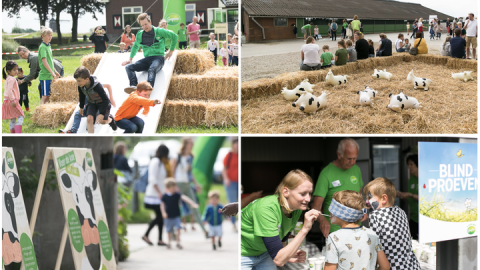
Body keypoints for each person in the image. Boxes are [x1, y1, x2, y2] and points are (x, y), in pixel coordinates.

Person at [241, 169, 321, 269]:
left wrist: (288, 255)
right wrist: (305, 229)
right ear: (286, 192)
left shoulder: (296, 209)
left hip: (265, 252)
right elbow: (279, 260)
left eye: (310, 193)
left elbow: (282, 239)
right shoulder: (267, 209)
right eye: (303, 194)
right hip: (243, 253)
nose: (308, 199)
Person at [324, 190, 390, 270]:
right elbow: (385, 267)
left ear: (340, 214)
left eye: (332, 208)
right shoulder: (371, 234)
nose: (329, 211)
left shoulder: (334, 237)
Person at [312, 139, 364, 237]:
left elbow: (360, 196)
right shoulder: (326, 174)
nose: (352, 162)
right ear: (339, 155)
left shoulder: (356, 169)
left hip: (356, 229)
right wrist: (322, 219)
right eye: (349, 158)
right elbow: (316, 207)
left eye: (355, 158)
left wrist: (363, 209)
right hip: (335, 232)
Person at [365, 177, 420, 269]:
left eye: (370, 197)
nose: (367, 201)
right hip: (412, 265)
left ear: (384, 198)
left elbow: (373, 247)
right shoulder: (401, 211)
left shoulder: (374, 215)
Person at [122, 13, 178, 94]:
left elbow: (174, 36)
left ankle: (148, 88)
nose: (145, 26)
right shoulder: (140, 34)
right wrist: (130, 59)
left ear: (150, 22)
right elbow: (135, 46)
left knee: (152, 69)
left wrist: (171, 51)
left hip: (158, 58)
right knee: (129, 67)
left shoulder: (159, 31)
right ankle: (133, 86)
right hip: (147, 59)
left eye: (146, 24)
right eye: (142, 25)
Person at [171, 137, 207, 234]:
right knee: (175, 208)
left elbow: (190, 173)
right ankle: (173, 231)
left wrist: (196, 184)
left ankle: (204, 230)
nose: (192, 145)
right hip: (178, 184)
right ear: (185, 144)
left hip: (187, 184)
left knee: (194, 205)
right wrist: (174, 186)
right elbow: (172, 172)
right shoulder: (177, 156)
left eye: (192, 143)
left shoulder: (191, 157)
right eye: (190, 143)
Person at [143, 144, 171, 246]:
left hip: (159, 194)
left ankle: (159, 239)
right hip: (154, 195)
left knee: (160, 217)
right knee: (160, 217)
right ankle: (146, 235)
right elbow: (152, 179)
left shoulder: (161, 162)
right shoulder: (156, 162)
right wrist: (159, 192)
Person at [74, 66, 117, 133]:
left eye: (79, 81)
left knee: (102, 121)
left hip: (103, 103)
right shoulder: (81, 86)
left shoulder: (97, 86)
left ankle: (110, 119)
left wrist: (102, 114)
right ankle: (91, 139)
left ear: (87, 79)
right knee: (89, 119)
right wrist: (81, 107)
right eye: (77, 81)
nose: (77, 83)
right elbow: (81, 96)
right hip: (92, 102)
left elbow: (105, 99)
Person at [161, 178, 199, 249]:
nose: (174, 189)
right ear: (168, 188)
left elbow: (184, 198)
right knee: (169, 230)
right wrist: (163, 213)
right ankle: (169, 243)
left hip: (176, 216)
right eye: (173, 187)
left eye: (175, 187)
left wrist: (192, 203)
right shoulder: (165, 196)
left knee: (178, 228)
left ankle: (178, 242)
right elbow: (162, 205)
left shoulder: (177, 194)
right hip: (168, 216)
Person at [397, 154, 419, 240]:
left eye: (411, 164)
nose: (409, 167)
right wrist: (402, 195)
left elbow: (425, 198)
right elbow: (412, 197)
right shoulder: (412, 179)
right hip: (414, 217)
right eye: (408, 165)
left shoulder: (425, 178)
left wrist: (410, 195)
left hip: (423, 218)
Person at [37, 26, 59, 104]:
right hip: (45, 75)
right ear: (43, 36)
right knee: (45, 96)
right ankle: (39, 112)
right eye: (48, 35)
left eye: (51, 35)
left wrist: (55, 71)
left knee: (49, 96)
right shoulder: (42, 47)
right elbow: (44, 61)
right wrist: (52, 73)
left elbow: (50, 61)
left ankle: (46, 113)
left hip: (50, 74)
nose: (50, 37)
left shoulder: (48, 46)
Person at [3, 60, 24, 133]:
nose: (16, 71)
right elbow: (9, 90)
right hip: (12, 101)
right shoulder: (12, 79)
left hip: (6, 101)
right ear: (8, 71)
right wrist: (13, 100)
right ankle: (18, 134)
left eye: (17, 69)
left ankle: (12, 134)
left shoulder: (8, 78)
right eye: (14, 70)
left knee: (13, 118)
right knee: (21, 116)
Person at [223, 138, 238, 230]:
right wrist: (226, 179)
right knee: (232, 203)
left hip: (238, 182)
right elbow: (224, 169)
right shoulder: (229, 155)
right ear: (233, 145)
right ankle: (233, 224)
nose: (237, 146)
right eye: (236, 144)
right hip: (231, 182)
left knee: (240, 202)